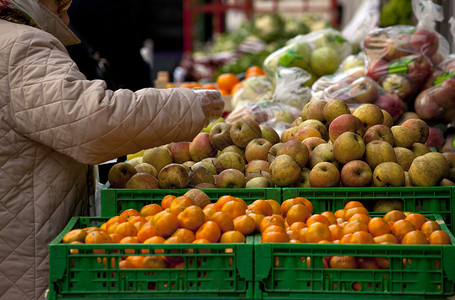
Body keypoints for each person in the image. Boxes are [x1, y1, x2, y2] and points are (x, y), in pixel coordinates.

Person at [0, 0, 224, 299]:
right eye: (61, 1)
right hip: (24, 260)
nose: (67, 13)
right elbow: (91, 120)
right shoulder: (20, 46)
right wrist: (191, 104)